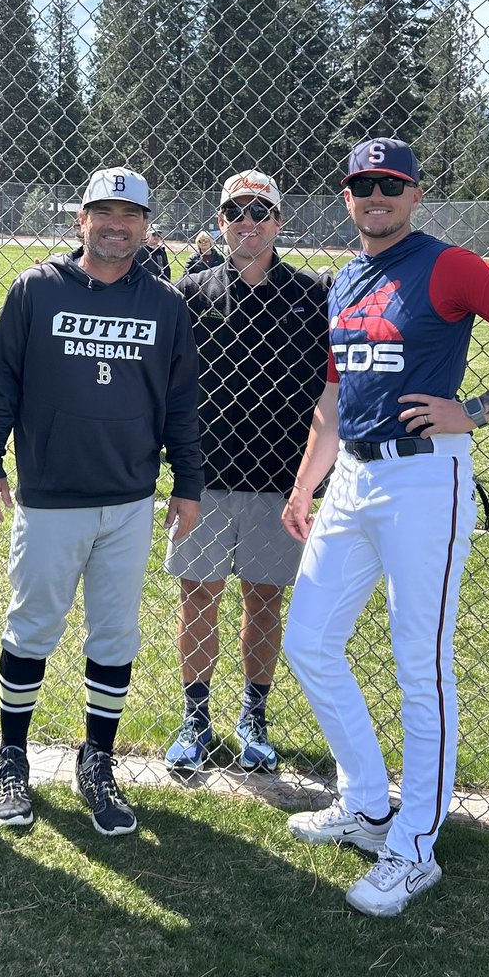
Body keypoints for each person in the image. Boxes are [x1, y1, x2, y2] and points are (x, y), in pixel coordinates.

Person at [281, 137, 489, 916]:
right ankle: (369, 805)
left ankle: (415, 847)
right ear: (346, 196)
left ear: (415, 193)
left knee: (420, 659)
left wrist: (474, 410)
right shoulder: (345, 276)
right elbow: (336, 393)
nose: (374, 196)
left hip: (424, 474)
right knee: (309, 639)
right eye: (361, 185)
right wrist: (308, 482)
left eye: (389, 184)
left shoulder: (446, 264)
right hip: (350, 474)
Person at [0, 166, 202, 836]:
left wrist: (187, 482)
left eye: (129, 215)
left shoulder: (164, 304)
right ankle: (11, 758)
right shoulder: (36, 289)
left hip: (128, 500)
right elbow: (1, 386)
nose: (115, 224)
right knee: (32, 627)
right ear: (81, 220)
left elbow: (181, 403)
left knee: (114, 633)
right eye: (102, 211)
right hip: (49, 498)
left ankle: (96, 760)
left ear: (146, 227)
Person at [163, 170, 327, 773]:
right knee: (197, 597)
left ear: (279, 222)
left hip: (279, 482)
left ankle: (253, 713)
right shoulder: (193, 292)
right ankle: (196, 716)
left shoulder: (312, 295)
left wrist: (310, 481)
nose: (248, 223)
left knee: (263, 602)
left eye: (261, 212)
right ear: (221, 221)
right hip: (206, 477)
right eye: (236, 212)